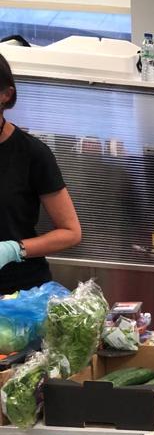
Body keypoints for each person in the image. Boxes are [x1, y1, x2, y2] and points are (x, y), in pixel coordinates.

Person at [0, 53, 81, 295]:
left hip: (19, 297)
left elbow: (71, 232)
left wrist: (14, 249)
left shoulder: (32, 154)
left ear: (6, 95)